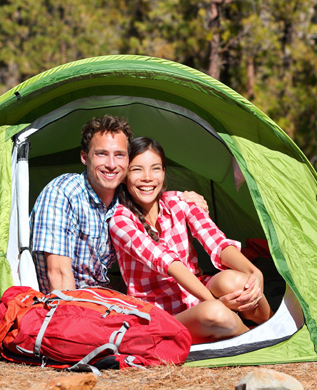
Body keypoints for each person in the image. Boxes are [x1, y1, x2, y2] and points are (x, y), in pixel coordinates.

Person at [109, 137, 273, 344]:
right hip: (159, 314)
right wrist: (214, 301)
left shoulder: (180, 201)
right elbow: (167, 262)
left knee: (240, 282)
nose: (148, 177)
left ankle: (275, 325)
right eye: (137, 170)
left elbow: (216, 241)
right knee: (215, 312)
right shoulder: (120, 219)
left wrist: (255, 273)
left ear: (164, 172)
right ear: (124, 176)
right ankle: (259, 342)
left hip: (194, 293)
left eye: (156, 169)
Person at [31, 115, 207, 294]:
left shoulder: (123, 203)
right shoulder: (64, 192)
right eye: (102, 154)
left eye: (119, 155)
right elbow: (59, 277)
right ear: (84, 157)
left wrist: (193, 204)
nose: (111, 164)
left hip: (103, 299)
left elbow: (158, 242)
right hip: (69, 305)